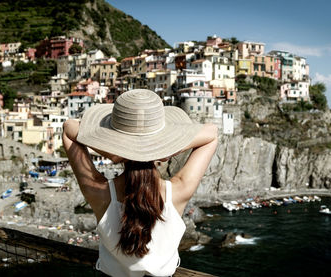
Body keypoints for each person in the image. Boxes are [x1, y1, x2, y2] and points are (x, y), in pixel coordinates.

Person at [63, 89, 218, 277]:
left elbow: (69, 129)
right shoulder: (178, 190)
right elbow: (211, 133)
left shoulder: (100, 192)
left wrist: (113, 153)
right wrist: (165, 151)